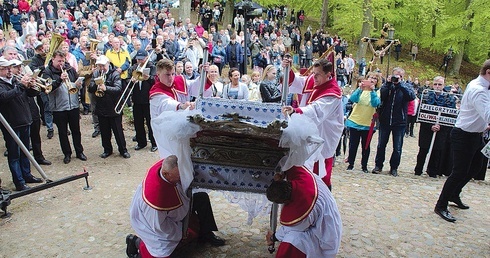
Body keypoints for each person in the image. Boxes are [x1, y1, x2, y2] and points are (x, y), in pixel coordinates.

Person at [126, 155, 225, 258]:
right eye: (178, 177)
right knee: (173, 251)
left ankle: (206, 233)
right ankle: (136, 242)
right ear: (165, 173)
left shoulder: (167, 167)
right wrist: (181, 232)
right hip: (157, 224)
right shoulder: (156, 200)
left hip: (176, 210)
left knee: (201, 198)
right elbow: (160, 227)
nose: (180, 179)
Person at [434, 59, 490, 223]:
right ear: (488, 72)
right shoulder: (478, 90)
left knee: (476, 167)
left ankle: (454, 193)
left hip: (476, 134)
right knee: (459, 171)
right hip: (463, 135)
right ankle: (441, 205)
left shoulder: (483, 86)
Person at [282, 58, 344, 190]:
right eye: (313, 73)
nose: (313, 77)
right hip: (308, 131)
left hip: (324, 133)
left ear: (328, 75)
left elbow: (317, 111)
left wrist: (296, 111)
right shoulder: (315, 79)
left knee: (320, 173)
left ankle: (321, 199)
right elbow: (298, 82)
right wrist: (289, 70)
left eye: (317, 74)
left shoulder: (332, 93)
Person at [265, 166, 342, 258]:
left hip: (324, 238)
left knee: (292, 240)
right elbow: (290, 166)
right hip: (325, 216)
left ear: (286, 202)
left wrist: (273, 237)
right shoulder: (301, 179)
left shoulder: (303, 209)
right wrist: (282, 175)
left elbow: (291, 229)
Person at [0, 57, 43, 191]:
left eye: (9, 68)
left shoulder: (15, 80)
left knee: (25, 151)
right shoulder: (3, 85)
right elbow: (4, 97)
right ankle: (19, 182)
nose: (9, 71)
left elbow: (30, 95)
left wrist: (32, 86)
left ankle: (27, 175)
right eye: (5, 69)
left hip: (25, 120)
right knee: (14, 154)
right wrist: (21, 86)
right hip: (11, 124)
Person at [42, 50, 86, 164]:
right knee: (63, 132)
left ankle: (79, 151)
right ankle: (67, 153)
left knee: (76, 130)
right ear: (53, 60)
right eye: (59, 61)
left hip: (73, 105)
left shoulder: (70, 69)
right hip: (59, 107)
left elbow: (76, 83)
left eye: (63, 60)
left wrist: (78, 85)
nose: (61, 63)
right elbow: (48, 88)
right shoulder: (47, 72)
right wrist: (60, 79)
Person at [372, 67, 416, 176]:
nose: (397, 78)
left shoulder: (406, 86)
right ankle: (378, 165)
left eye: (400, 76)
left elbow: (411, 97)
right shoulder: (388, 85)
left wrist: (400, 85)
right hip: (385, 120)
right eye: (395, 75)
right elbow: (382, 95)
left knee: (397, 147)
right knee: (381, 145)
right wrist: (388, 84)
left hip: (400, 121)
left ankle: (394, 167)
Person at [10, 59, 51, 166]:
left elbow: (34, 93)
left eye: (20, 66)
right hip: (19, 114)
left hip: (32, 110)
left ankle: (39, 157)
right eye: (16, 67)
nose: (19, 69)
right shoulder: (12, 81)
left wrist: (32, 84)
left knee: (36, 135)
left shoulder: (23, 76)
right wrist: (22, 84)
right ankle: (25, 162)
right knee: (23, 141)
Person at [88, 55, 130, 159]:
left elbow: (118, 89)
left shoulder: (115, 74)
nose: (101, 68)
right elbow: (90, 88)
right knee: (104, 131)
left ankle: (123, 150)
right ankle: (107, 150)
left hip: (113, 106)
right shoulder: (96, 73)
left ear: (108, 64)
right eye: (99, 66)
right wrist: (95, 86)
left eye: (103, 66)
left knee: (118, 131)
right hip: (101, 106)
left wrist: (105, 88)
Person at [414, 76, 455, 178]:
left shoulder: (449, 99)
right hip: (426, 128)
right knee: (423, 149)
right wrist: (430, 125)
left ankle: (433, 171)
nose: (437, 86)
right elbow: (421, 113)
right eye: (435, 84)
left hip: (441, 129)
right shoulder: (426, 96)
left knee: (437, 151)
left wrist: (440, 125)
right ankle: (418, 169)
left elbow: (451, 115)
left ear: (443, 85)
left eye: (440, 84)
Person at [345, 72, 381, 173]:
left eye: (375, 78)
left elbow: (375, 103)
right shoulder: (360, 90)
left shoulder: (377, 92)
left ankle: (364, 165)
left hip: (368, 123)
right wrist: (360, 89)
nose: (372, 80)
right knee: (353, 144)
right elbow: (353, 99)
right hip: (355, 120)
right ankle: (351, 163)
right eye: (370, 77)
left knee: (366, 146)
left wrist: (373, 91)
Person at [128, 50, 157, 152]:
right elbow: (127, 82)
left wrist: (148, 78)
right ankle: (141, 142)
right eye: (138, 59)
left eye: (141, 59)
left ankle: (154, 142)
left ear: (146, 57)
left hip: (148, 100)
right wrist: (131, 81)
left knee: (150, 122)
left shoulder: (152, 66)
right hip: (137, 100)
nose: (139, 60)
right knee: (138, 123)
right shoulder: (133, 68)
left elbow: (155, 81)